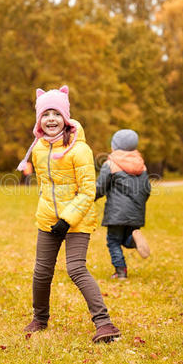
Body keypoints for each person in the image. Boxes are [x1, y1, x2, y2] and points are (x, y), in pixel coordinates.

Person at [17, 85, 120, 343]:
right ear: (39, 119)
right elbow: (45, 185)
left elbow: (88, 191)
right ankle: (40, 318)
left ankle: (104, 324)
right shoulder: (39, 148)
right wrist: (50, 214)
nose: (51, 119)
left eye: (56, 114)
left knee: (75, 268)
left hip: (77, 219)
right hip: (49, 219)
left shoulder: (79, 149)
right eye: (46, 114)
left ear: (66, 118)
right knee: (42, 271)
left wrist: (67, 219)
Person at [95, 129, 151, 280]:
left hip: (116, 213)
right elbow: (147, 190)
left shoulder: (111, 164)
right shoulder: (141, 165)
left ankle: (121, 272)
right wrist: (138, 205)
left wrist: (89, 197)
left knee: (113, 241)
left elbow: (100, 187)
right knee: (126, 239)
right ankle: (134, 238)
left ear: (115, 146)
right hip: (136, 211)